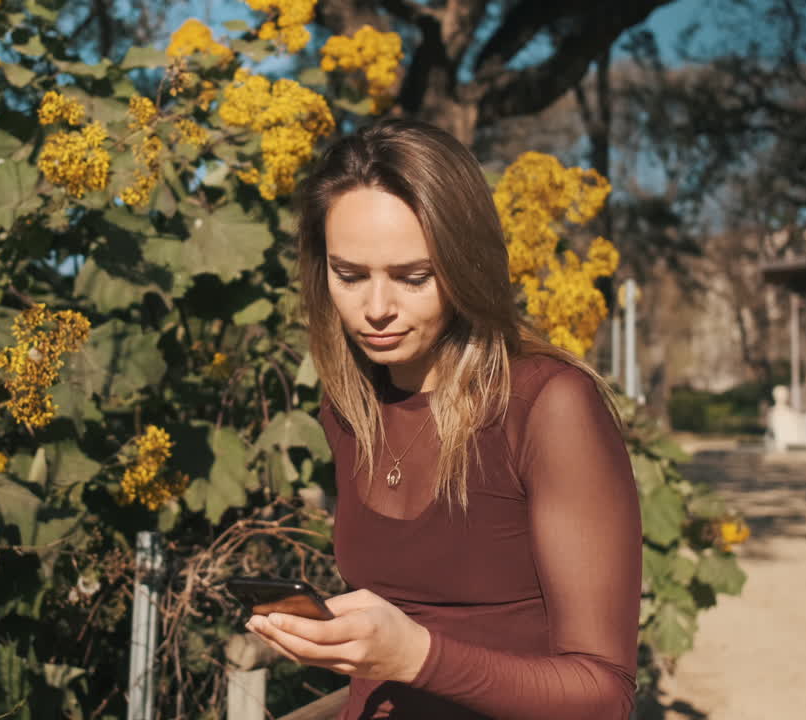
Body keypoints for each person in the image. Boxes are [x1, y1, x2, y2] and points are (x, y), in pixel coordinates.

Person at [243, 118, 642, 719]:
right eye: (349, 276)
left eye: (414, 277)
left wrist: (415, 657)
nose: (377, 310)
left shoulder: (546, 406)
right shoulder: (351, 406)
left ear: (466, 264)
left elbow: (604, 694)